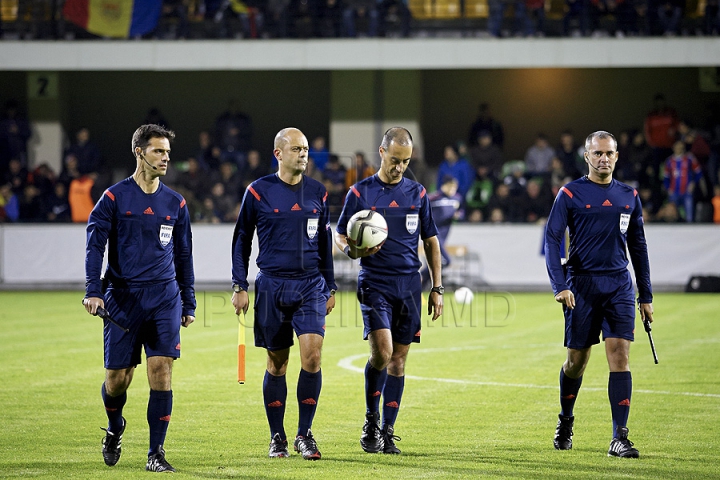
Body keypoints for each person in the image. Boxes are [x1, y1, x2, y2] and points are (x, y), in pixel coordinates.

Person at [82, 124, 196, 473]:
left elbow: (184, 255)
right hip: (123, 298)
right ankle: (115, 428)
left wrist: (188, 300)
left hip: (164, 297)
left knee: (161, 371)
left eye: (167, 152)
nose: (165, 158)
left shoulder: (175, 202)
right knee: (118, 380)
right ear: (139, 152)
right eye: (158, 151)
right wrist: (93, 289)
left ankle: (156, 452)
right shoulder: (115, 197)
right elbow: (95, 245)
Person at [544, 130, 653, 458]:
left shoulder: (629, 196)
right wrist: (560, 285)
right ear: (587, 157)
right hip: (581, 286)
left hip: (619, 285)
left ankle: (619, 436)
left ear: (617, 156)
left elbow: (639, 246)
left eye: (609, 153)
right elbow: (552, 240)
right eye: (597, 154)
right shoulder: (570, 193)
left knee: (620, 354)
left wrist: (645, 295)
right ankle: (566, 420)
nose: (603, 158)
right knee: (576, 362)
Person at [334, 127, 443, 455]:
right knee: (382, 352)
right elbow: (339, 234)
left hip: (409, 284)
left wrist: (437, 287)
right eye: (395, 160)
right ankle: (371, 419)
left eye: (406, 161)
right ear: (382, 153)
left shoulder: (418, 193)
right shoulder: (360, 192)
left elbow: (431, 241)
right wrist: (350, 249)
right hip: (374, 282)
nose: (400, 166)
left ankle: (387, 429)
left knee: (399, 361)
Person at [231, 127, 337, 460]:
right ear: (278, 154)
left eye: (306, 148)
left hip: (310, 286)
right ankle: (277, 435)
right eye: (296, 149)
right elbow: (242, 239)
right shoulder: (258, 192)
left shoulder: (318, 192)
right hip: (272, 285)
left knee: (313, 356)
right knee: (277, 363)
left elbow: (324, 243)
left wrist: (330, 285)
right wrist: (239, 284)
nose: (303, 154)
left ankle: (304, 434)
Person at [421, 175, 462, 289]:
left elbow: (461, 211)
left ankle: (421, 285)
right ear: (444, 186)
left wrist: (458, 215)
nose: (453, 190)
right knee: (447, 261)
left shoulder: (457, 198)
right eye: (451, 187)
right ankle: (422, 276)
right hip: (433, 235)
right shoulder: (433, 198)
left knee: (435, 262)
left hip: (444, 235)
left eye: (455, 187)